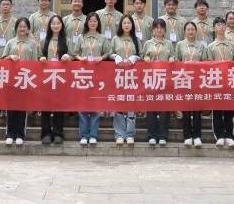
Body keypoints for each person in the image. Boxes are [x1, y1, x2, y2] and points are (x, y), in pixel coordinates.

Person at [73, 12, 110, 145]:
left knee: (95, 105)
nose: (93, 23)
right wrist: (80, 58)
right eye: (90, 21)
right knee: (83, 106)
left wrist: (102, 57)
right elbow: (75, 53)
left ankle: (93, 135)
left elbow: (108, 52)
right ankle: (84, 135)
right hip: (83, 75)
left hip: (97, 75)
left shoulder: (102, 38)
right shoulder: (81, 37)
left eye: (95, 21)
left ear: (98, 23)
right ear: (87, 23)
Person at [2, 17, 40, 146]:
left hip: (25, 79)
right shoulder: (10, 42)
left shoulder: (33, 44)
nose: (22, 29)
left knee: (22, 108)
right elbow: (2, 60)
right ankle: (10, 134)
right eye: (20, 26)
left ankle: (20, 134)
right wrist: (10, 57)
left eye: (24, 27)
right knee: (11, 107)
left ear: (28, 29)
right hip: (12, 79)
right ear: (16, 28)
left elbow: (35, 62)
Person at [39, 14, 71, 145]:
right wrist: (41, 58)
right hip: (46, 78)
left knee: (59, 105)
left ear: (62, 25)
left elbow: (73, 54)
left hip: (61, 78)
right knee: (45, 105)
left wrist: (68, 57)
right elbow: (39, 55)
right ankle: (46, 133)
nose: (56, 25)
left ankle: (58, 133)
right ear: (49, 26)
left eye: (58, 23)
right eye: (53, 23)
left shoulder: (67, 40)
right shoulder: (44, 40)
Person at [142, 18, 175, 145]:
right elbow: (143, 57)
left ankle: (162, 136)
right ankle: (151, 135)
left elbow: (172, 56)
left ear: (165, 30)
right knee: (151, 108)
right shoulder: (148, 43)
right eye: (156, 27)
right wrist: (145, 58)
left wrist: (171, 58)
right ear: (153, 30)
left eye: (161, 27)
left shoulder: (169, 44)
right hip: (151, 78)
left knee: (164, 108)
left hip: (165, 79)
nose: (159, 30)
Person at [175, 20, 208, 147]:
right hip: (184, 79)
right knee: (186, 110)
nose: (190, 32)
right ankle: (187, 136)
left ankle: (197, 136)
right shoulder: (180, 44)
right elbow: (176, 61)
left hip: (198, 80)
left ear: (196, 31)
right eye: (188, 29)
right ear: (185, 31)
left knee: (197, 110)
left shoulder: (201, 45)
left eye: (192, 29)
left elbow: (205, 62)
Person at [111, 15, 142, 144]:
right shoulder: (115, 39)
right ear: (121, 25)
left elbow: (141, 55)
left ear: (132, 25)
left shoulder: (136, 39)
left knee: (131, 105)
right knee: (119, 104)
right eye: (124, 23)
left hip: (132, 76)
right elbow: (109, 53)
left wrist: (134, 58)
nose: (127, 25)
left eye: (129, 23)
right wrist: (115, 56)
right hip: (118, 75)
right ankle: (119, 134)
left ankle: (130, 134)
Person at [207, 17, 234, 147]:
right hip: (216, 81)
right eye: (218, 25)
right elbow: (208, 64)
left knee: (229, 109)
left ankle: (229, 135)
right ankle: (219, 135)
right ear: (214, 28)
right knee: (217, 110)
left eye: (222, 25)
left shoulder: (232, 45)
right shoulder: (210, 46)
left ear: (225, 27)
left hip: (230, 80)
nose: (220, 27)